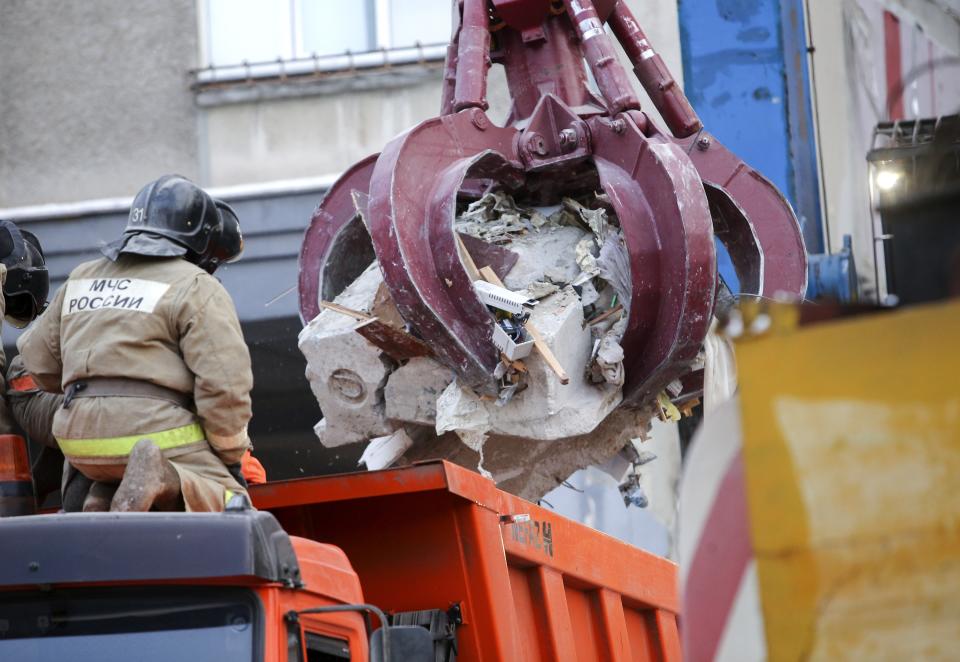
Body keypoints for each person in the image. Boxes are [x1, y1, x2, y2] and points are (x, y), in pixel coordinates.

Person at [18, 175, 255, 512]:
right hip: (154, 434)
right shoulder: (197, 285)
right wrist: (231, 453)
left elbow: (39, 364)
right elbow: (225, 387)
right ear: (200, 242)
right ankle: (160, 474)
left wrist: (96, 386)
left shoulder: (83, 276)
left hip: (80, 443)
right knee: (229, 498)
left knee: (109, 466)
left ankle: (100, 500)